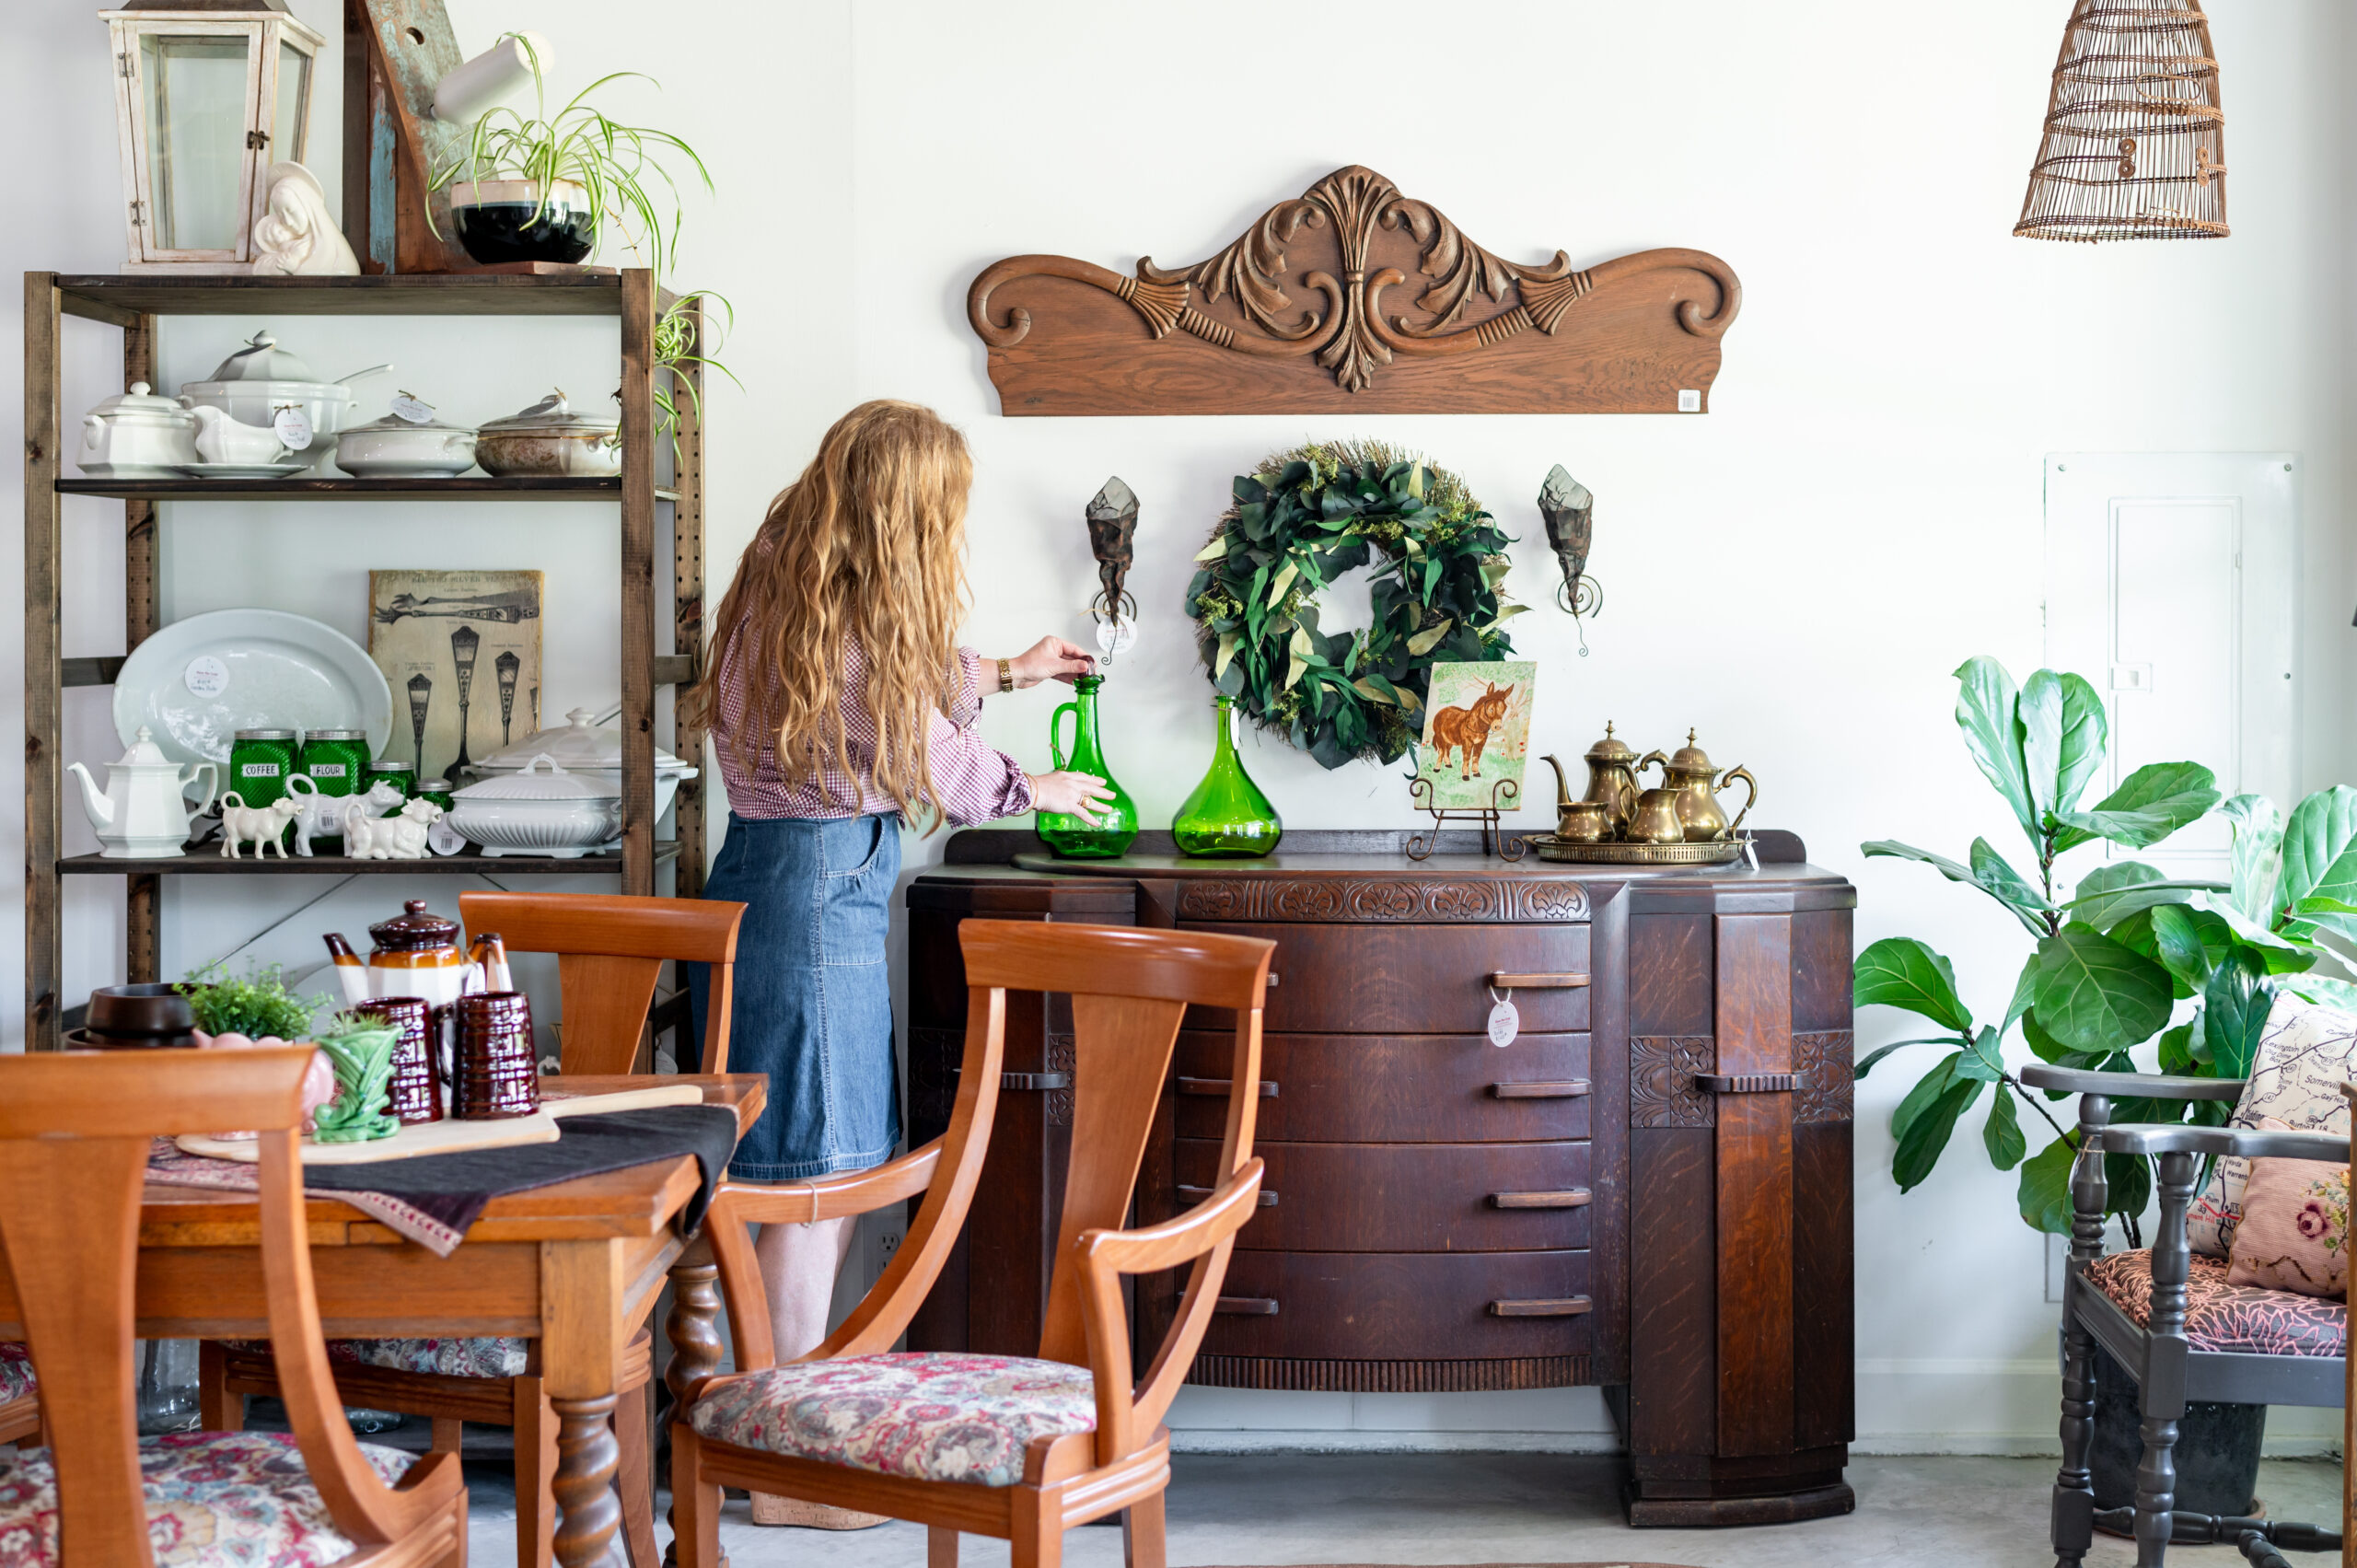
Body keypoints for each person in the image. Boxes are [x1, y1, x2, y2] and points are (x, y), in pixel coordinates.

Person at [679, 400, 1109, 1527]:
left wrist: (1007, 671)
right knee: (814, 1184)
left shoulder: (786, 589)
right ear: (902, 509)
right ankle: (793, 1473)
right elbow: (928, 748)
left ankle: (770, 1445)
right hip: (820, 897)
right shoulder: (852, 634)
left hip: (772, 880)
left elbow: (901, 688)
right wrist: (1039, 788)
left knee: (782, 1178)